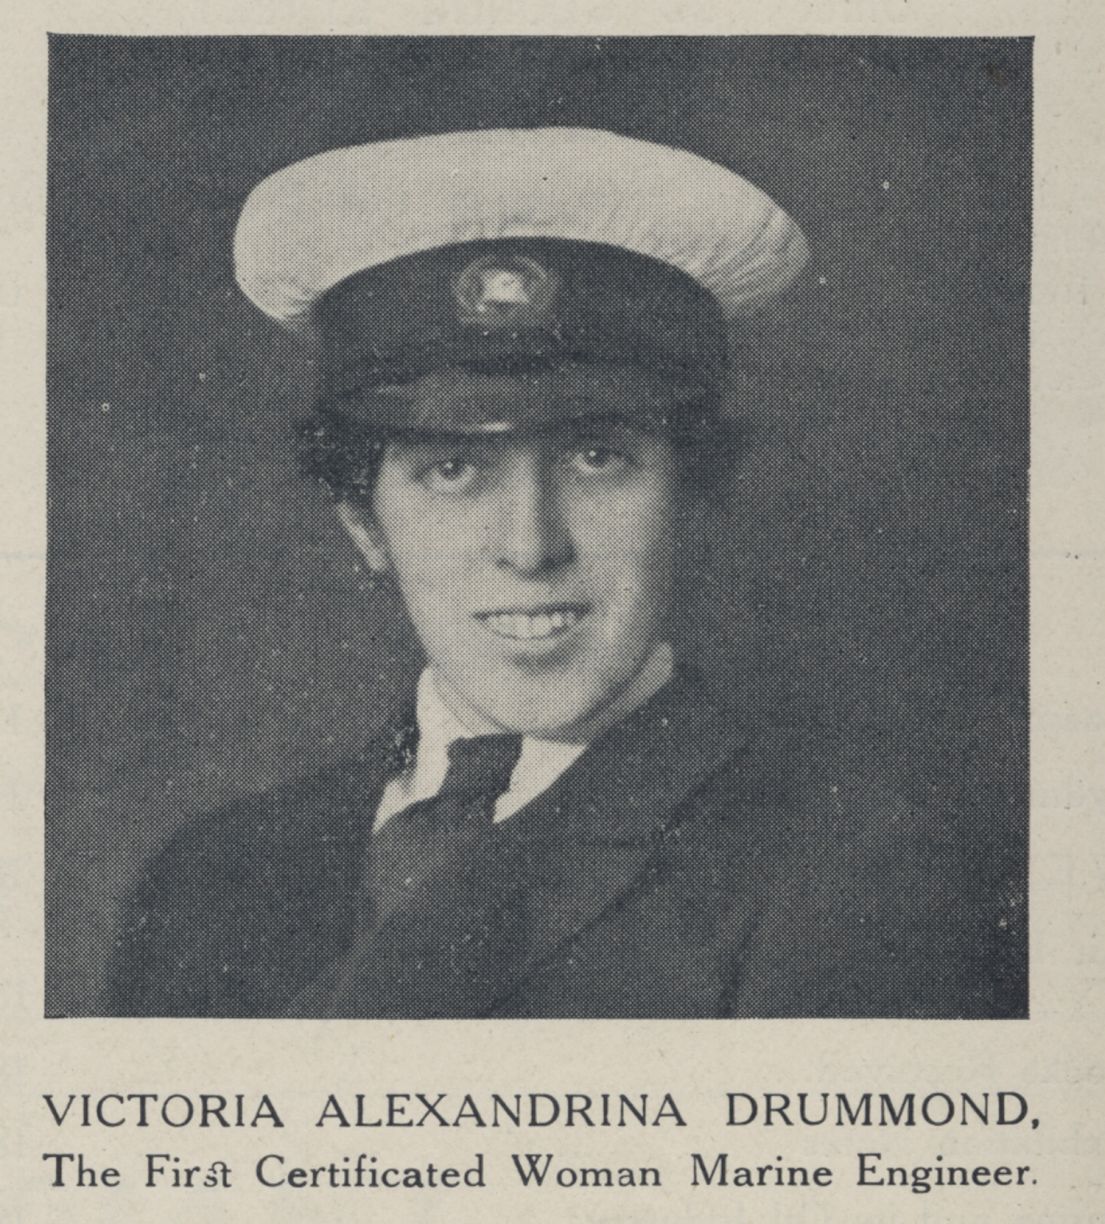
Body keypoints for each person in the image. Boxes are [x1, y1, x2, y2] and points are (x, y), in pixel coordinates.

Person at [105, 127, 1022, 1018]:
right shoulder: (210, 879)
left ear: (691, 494)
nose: (531, 547)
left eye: (595, 459)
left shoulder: (863, 871)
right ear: (364, 523)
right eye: (452, 470)